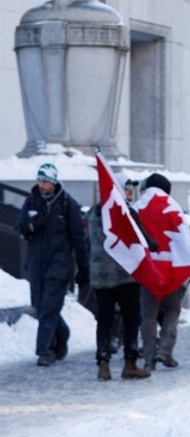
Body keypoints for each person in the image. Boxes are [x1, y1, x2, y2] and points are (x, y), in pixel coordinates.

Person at [16, 163, 89, 366]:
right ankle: (63, 333)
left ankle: (44, 351)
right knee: (40, 308)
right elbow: (20, 228)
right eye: (40, 180)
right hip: (36, 264)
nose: (42, 185)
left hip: (59, 265)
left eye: (46, 181)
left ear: (54, 183)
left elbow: (78, 238)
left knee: (49, 308)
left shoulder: (68, 205)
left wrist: (83, 268)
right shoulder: (31, 201)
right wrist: (31, 225)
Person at [87, 176, 152, 381]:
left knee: (104, 322)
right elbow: (141, 239)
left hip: (101, 277)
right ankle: (130, 363)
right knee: (131, 319)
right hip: (126, 276)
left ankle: (103, 364)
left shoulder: (93, 213)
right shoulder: (126, 213)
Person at [136, 173, 187, 371]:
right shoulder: (173, 207)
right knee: (172, 311)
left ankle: (149, 358)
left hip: (147, 270)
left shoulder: (138, 207)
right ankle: (165, 350)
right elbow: (183, 240)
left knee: (148, 315)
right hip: (171, 270)